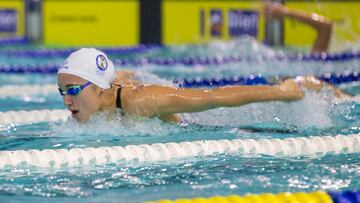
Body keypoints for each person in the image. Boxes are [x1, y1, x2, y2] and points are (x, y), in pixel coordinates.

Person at [58, 48, 346, 123]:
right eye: (62, 91)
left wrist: (281, 93)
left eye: (72, 91)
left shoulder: (139, 101)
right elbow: (118, 75)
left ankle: (304, 83)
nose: (66, 100)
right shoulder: (104, 93)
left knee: (288, 87)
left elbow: (216, 96)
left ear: (98, 88)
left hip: (212, 119)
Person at [263, 1, 332, 53]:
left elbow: (326, 25)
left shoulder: (312, 64)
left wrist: (285, 12)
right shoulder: (313, 62)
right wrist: (284, 12)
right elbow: (325, 26)